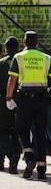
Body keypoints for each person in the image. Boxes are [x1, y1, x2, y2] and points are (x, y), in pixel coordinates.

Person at [6, 31, 51, 180]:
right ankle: (41, 168)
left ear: (24, 42)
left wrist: (8, 98)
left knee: (22, 129)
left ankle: (29, 157)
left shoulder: (18, 57)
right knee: (40, 132)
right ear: (37, 42)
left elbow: (12, 81)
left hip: (25, 98)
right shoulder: (46, 58)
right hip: (42, 99)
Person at [0, 36, 19, 173]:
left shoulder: (2, 63)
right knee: (16, 130)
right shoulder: (22, 61)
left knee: (2, 131)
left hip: (4, 99)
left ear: (6, 49)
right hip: (21, 99)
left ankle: (10, 154)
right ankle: (16, 153)